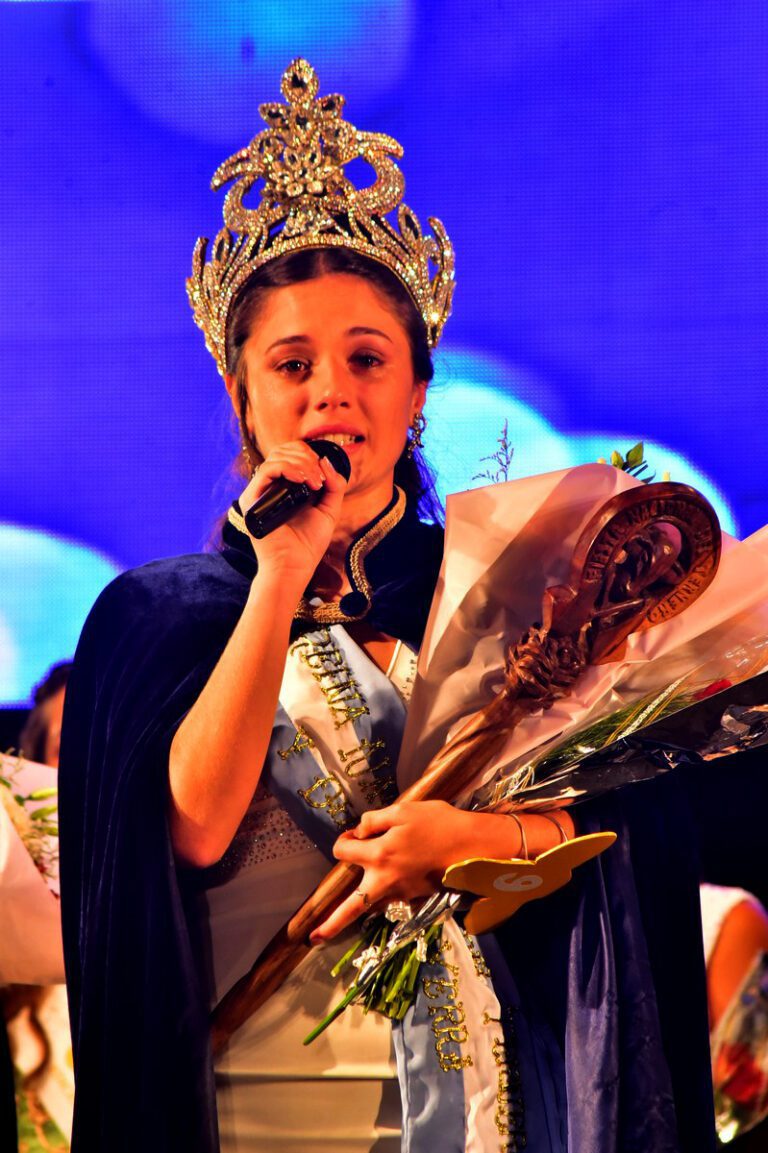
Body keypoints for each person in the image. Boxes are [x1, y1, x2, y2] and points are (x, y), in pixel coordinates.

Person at [59, 59, 717, 1153]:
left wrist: (475, 837)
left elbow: (627, 833)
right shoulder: (157, 615)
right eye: (292, 362)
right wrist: (280, 573)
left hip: (490, 1117)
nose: (332, 390)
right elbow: (190, 824)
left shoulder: (515, 600)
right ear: (242, 389)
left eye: (368, 358)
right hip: (263, 1116)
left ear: (417, 389)